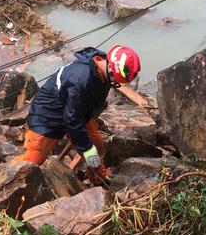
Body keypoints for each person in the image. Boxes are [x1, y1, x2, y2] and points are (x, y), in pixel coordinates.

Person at [14, 45, 141, 184]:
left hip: (78, 111)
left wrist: (90, 148)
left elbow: (79, 112)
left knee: (97, 147)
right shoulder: (80, 79)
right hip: (48, 114)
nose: (116, 84)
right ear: (110, 68)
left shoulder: (103, 68)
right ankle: (2, 181)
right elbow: (72, 122)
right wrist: (87, 151)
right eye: (116, 80)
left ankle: (98, 178)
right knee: (33, 161)